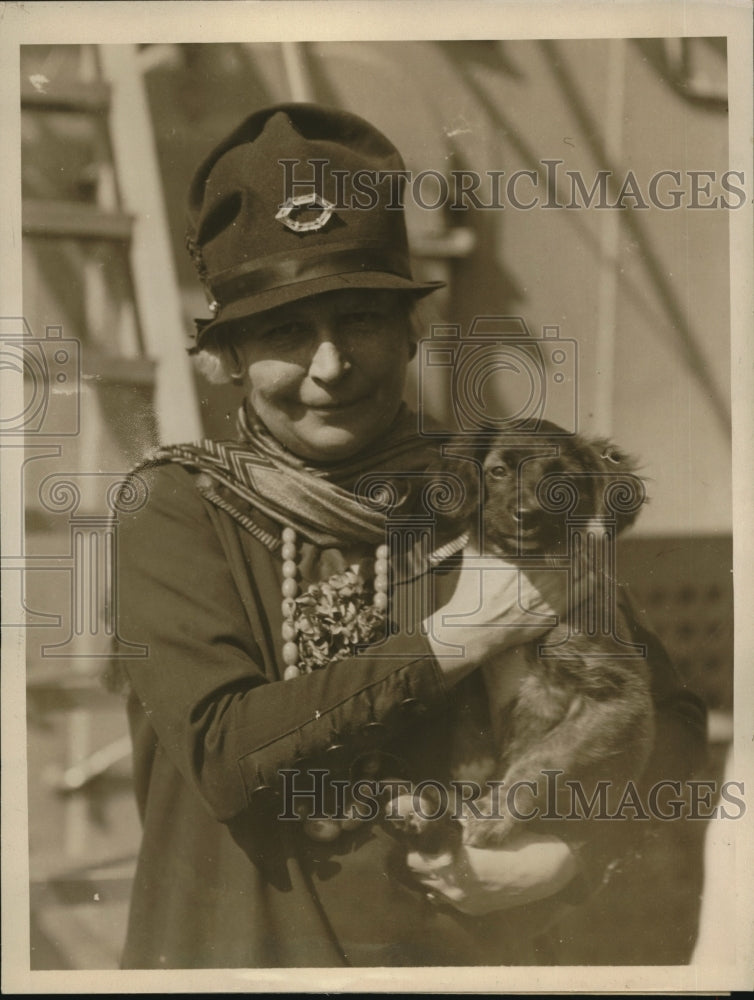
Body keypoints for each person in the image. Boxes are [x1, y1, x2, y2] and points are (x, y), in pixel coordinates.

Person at [113, 103, 706, 968]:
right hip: (247, 955)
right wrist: (460, 638)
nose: (329, 366)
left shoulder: (478, 485)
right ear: (230, 354)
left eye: (358, 318)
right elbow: (223, 752)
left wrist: (566, 861)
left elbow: (672, 723)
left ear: (409, 330)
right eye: (285, 329)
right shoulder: (175, 508)